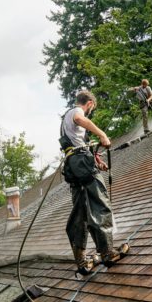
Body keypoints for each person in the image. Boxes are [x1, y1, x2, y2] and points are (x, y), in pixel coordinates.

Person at [61, 90, 129, 275]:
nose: (90, 111)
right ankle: (107, 253)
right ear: (89, 103)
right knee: (100, 204)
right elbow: (80, 119)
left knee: (80, 211)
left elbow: (78, 145)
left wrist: (96, 160)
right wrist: (102, 134)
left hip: (74, 167)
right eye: (92, 107)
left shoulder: (67, 122)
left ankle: (81, 262)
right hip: (81, 165)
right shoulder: (76, 112)